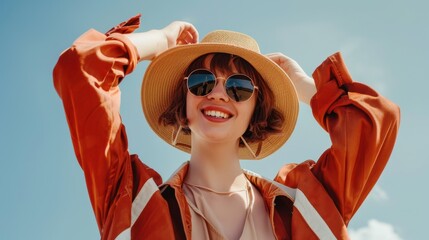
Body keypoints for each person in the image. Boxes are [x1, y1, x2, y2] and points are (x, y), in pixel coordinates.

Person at [53, 14, 400, 240]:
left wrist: (303, 86)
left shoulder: (304, 206)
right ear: (183, 102)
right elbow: (79, 70)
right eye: (202, 82)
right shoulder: (131, 201)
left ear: (256, 110)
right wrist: (160, 40)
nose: (219, 94)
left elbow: (375, 122)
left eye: (240, 87)